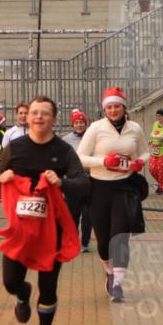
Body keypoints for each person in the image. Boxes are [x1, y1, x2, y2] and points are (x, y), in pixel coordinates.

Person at [0, 96, 89, 325]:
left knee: (49, 285)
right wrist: (2, 177)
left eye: (45, 113)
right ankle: (22, 294)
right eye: (34, 113)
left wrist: (61, 182)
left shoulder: (63, 151)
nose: (39, 117)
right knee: (10, 281)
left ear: (53, 119)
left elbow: (83, 183)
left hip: (51, 230)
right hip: (20, 230)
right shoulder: (16, 147)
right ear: (27, 117)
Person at [77, 87, 149, 303]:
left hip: (124, 188)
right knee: (104, 240)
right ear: (104, 109)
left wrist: (140, 162)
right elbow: (79, 156)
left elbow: (146, 151)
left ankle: (118, 285)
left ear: (124, 107)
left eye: (117, 106)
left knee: (120, 237)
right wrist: (103, 162)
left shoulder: (135, 128)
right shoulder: (96, 128)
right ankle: (109, 272)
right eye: (109, 107)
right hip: (98, 188)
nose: (113, 110)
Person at [62, 108, 93, 252]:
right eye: (77, 122)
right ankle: (72, 241)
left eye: (82, 122)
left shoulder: (92, 137)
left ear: (86, 123)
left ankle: (85, 242)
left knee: (88, 215)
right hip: (73, 182)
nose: (79, 125)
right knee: (73, 215)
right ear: (73, 124)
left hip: (90, 181)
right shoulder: (66, 140)